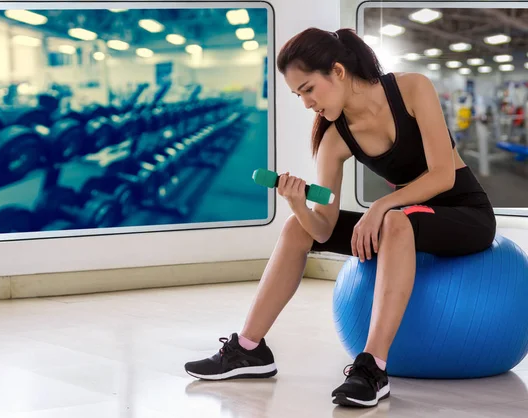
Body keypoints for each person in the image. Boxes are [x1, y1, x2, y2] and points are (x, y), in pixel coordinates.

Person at [184, 27, 496, 408]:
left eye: (309, 88)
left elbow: (442, 175)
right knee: (296, 229)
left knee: (395, 220)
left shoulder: (412, 89)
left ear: (338, 71)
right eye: (298, 95)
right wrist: (298, 205)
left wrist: (381, 206)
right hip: (408, 219)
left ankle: (372, 367)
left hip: (464, 214)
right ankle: (248, 349)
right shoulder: (335, 139)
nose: (306, 103)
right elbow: (323, 227)